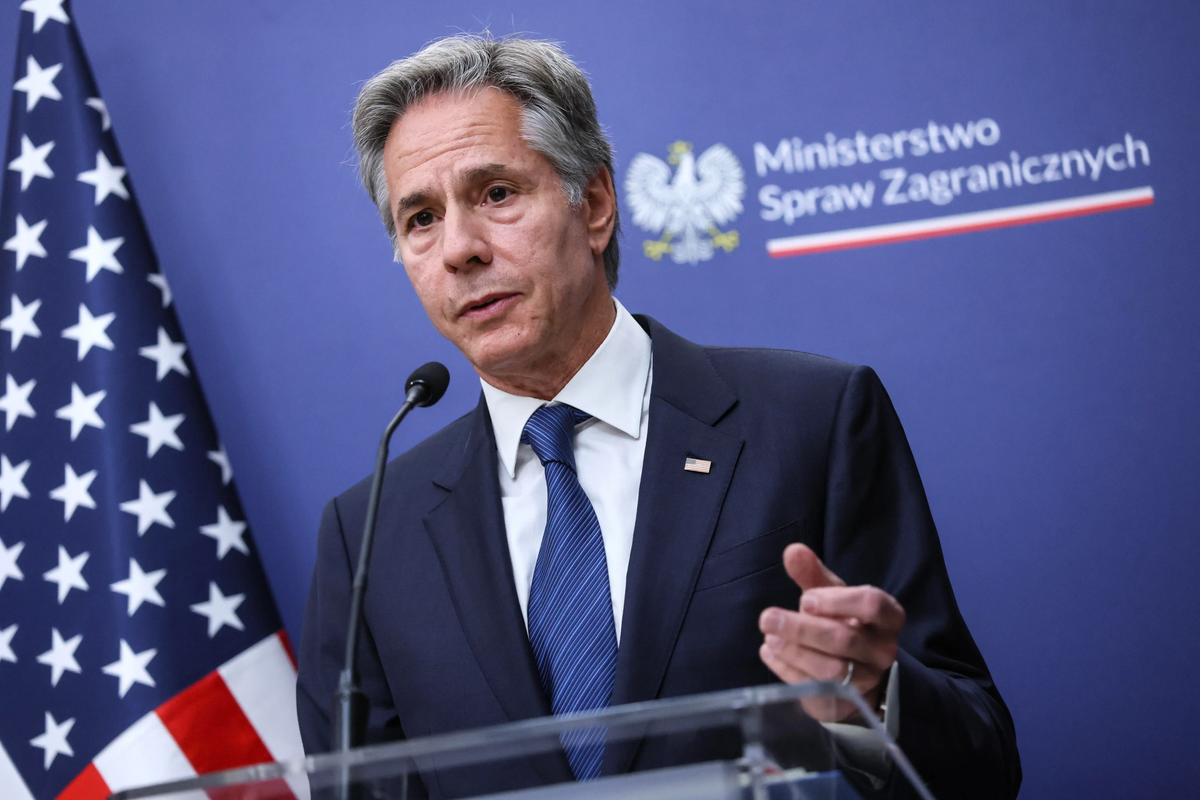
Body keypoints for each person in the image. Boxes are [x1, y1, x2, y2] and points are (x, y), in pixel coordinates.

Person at [297, 34, 1020, 800]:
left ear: (597, 203)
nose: (460, 249)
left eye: (496, 194)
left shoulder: (812, 421)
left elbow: (981, 763)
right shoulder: (371, 530)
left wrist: (872, 694)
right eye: (420, 219)